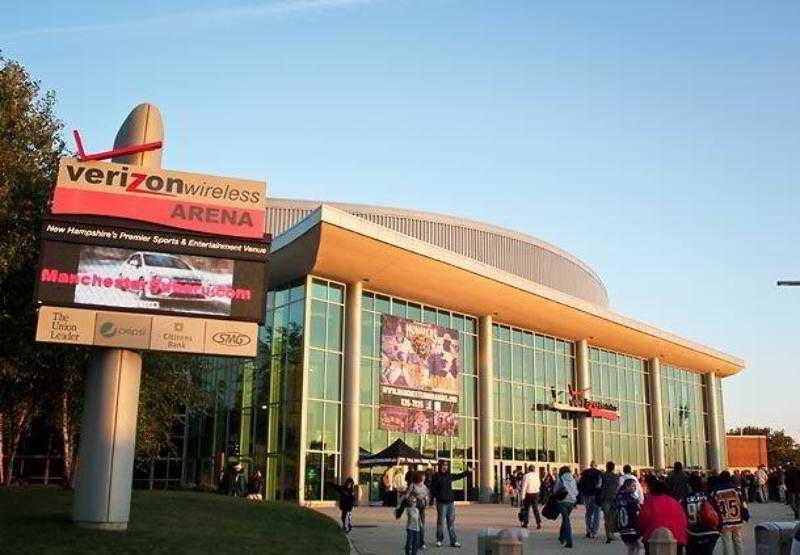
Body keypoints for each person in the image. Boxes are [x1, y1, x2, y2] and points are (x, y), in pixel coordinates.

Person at [639, 475, 688, 555]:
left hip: (653, 538)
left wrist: (643, 533)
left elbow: (642, 520)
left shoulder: (649, 502)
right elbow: (684, 521)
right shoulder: (675, 502)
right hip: (677, 538)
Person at [430, 459, 470, 548]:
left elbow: (458, 476)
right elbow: (432, 489)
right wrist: (432, 500)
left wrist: (467, 472)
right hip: (441, 502)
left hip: (450, 502)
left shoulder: (449, 475)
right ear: (440, 466)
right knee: (440, 522)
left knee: (451, 522)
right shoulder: (436, 476)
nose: (445, 467)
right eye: (443, 465)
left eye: (446, 465)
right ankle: (439, 540)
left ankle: (453, 541)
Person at [709, 470, 749, 555]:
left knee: (727, 542)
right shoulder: (735, 489)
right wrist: (745, 514)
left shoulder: (716, 491)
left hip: (724, 520)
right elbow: (743, 503)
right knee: (738, 541)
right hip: (737, 518)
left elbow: (712, 504)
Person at [683, 473, 721, 555]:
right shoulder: (708, 496)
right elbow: (718, 511)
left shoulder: (685, 498)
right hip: (710, 531)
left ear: (690, 486)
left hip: (692, 533)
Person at [615, 478, 642, 555]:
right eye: (633, 486)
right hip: (630, 526)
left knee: (632, 547)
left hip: (623, 527)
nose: (635, 488)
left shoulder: (619, 496)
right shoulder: (630, 498)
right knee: (636, 546)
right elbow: (635, 510)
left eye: (635, 486)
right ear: (627, 486)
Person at [553, 465, 579, 548]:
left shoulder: (560, 479)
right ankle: (561, 537)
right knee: (565, 519)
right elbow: (576, 491)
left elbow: (555, 490)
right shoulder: (573, 479)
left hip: (562, 501)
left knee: (566, 520)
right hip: (571, 502)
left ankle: (569, 541)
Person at [578, 461, 603, 539]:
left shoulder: (585, 473)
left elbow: (580, 484)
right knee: (597, 514)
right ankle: (594, 532)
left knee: (588, 513)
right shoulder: (599, 473)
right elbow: (600, 485)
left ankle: (588, 530)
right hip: (596, 495)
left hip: (587, 495)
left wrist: (582, 494)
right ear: (596, 465)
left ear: (590, 465)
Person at [407, 471, 430, 550]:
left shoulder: (424, 486)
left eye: (424, 476)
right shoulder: (412, 486)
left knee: (422, 526)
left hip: (422, 507)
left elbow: (427, 495)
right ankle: (410, 544)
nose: (424, 477)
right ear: (419, 477)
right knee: (413, 526)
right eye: (423, 476)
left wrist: (426, 500)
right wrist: (415, 497)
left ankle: (421, 543)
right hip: (413, 507)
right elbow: (407, 496)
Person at [599, 461, 621, 544]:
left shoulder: (603, 476)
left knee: (606, 517)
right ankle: (611, 533)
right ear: (613, 468)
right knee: (612, 517)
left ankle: (608, 534)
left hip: (605, 498)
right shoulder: (616, 477)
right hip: (614, 498)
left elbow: (598, 486)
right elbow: (618, 487)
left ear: (606, 467)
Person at [519, 465, 542, 529]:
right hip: (536, 493)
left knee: (526, 509)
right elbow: (539, 484)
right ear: (534, 469)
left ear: (528, 469)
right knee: (535, 509)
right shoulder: (537, 476)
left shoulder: (526, 476)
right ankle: (538, 523)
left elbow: (524, 487)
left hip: (528, 494)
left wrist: (522, 497)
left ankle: (525, 523)